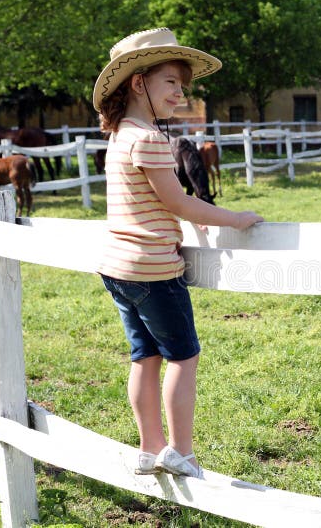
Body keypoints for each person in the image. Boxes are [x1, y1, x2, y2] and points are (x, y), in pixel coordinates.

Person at [92, 28, 263, 478]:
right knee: (183, 358)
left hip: (118, 269)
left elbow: (146, 199)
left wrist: (192, 216)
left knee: (143, 357)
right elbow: (177, 200)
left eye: (182, 85)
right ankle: (181, 453)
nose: (180, 93)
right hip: (153, 270)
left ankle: (149, 448)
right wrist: (234, 217)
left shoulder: (120, 135)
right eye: (171, 82)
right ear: (139, 83)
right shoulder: (149, 138)